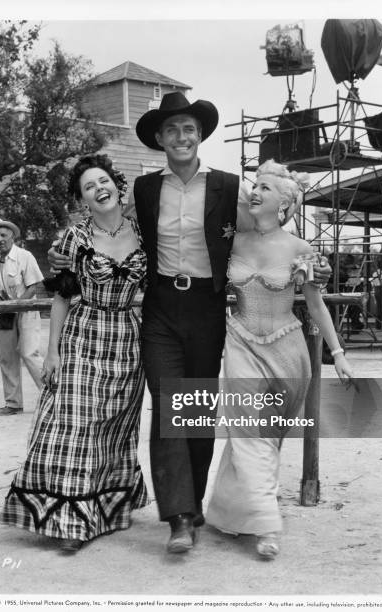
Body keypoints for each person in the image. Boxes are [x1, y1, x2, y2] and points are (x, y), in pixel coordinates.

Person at [48, 92, 332, 554]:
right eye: (172, 130)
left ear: (199, 136)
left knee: (196, 409)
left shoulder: (227, 186)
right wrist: (63, 250)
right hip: (159, 309)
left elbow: (264, 227)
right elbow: (110, 228)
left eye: (189, 130)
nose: (181, 137)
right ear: (159, 139)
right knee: (167, 406)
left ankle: (195, 505)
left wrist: (309, 261)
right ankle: (178, 517)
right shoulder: (143, 190)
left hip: (207, 307)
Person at [0, 155, 149, 553]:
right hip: (83, 334)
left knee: (113, 427)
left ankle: (105, 509)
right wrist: (52, 352)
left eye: (103, 181)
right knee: (74, 423)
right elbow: (63, 298)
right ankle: (67, 521)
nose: (99, 188)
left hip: (127, 340)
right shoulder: (73, 238)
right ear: (83, 199)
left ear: (117, 185)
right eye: (88, 186)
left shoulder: (143, 233)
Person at [205, 159, 353, 559]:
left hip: (287, 351)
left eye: (266, 189)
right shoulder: (231, 241)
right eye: (255, 185)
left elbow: (317, 307)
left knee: (266, 438)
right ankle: (267, 523)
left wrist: (337, 353)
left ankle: (234, 513)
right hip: (239, 343)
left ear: (285, 204)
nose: (255, 192)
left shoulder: (300, 249)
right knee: (246, 431)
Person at [0, 219, 43, 416]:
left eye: (4, 235)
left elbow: (33, 286)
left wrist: (17, 305)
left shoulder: (25, 256)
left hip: (26, 310)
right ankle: (13, 403)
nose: (0, 239)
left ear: (12, 237)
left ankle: (53, 398)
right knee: (7, 358)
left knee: (29, 353)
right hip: (5, 314)